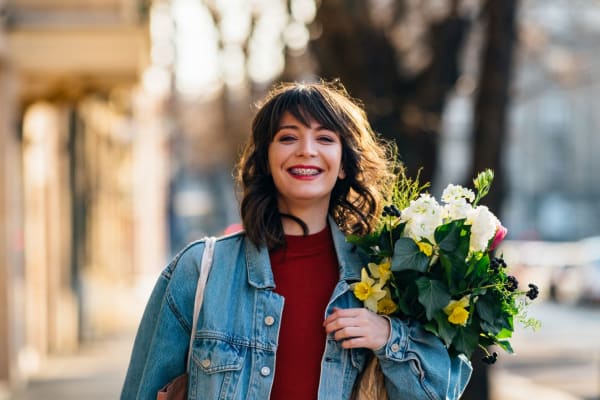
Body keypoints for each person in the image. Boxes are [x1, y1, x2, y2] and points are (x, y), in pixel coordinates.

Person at [121, 81, 472, 400]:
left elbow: (440, 393)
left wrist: (388, 337)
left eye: (324, 138)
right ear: (266, 158)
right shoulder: (201, 271)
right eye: (288, 137)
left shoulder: (387, 276)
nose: (306, 150)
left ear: (344, 164)